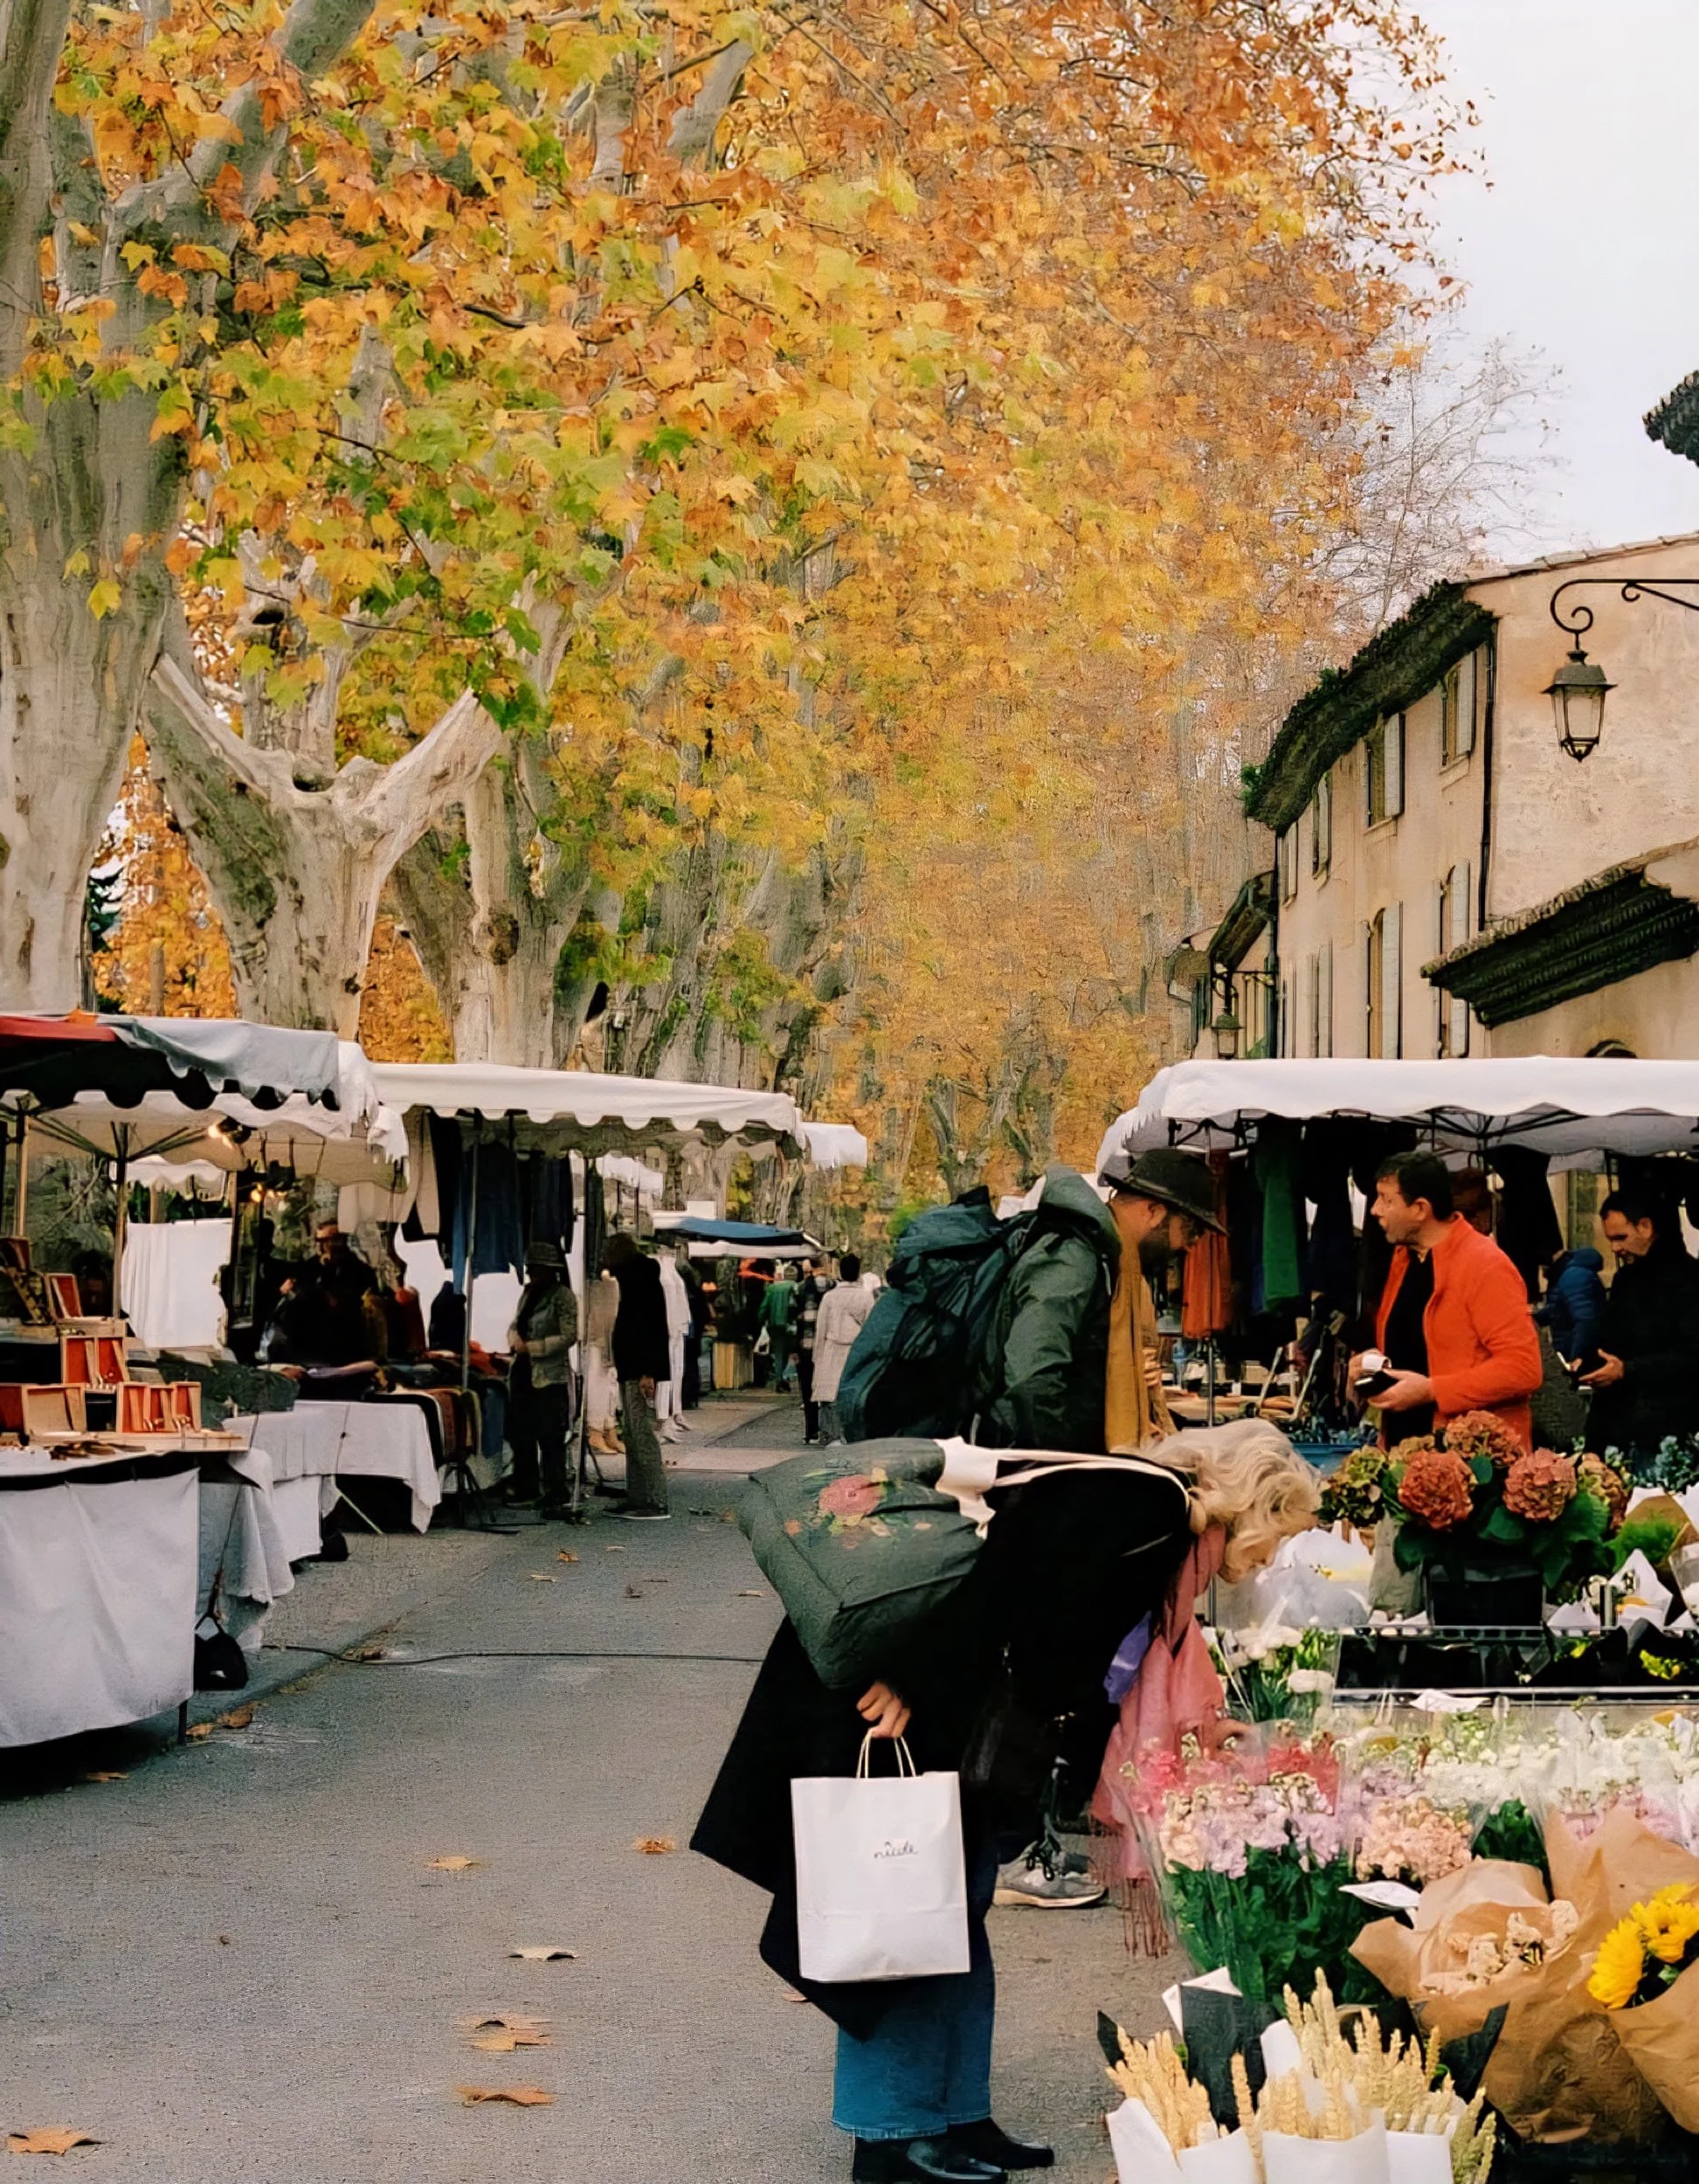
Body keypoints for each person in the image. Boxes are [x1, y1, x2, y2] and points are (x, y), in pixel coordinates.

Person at [693, 1422, 1320, 2184]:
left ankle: (956, 2115)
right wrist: (907, 1683)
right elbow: (1004, 1590)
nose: (1272, 1556)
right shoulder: (1147, 1510)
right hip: (902, 1698)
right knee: (901, 1921)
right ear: (1253, 1504)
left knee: (954, 1913)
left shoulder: (1142, 1507)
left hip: (940, 1701)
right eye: (1278, 1532)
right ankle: (892, 2136)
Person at [1355, 1151, 1542, 1452]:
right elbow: (1421, 1345)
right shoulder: (1404, 1259)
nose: (1376, 1210)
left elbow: (1523, 1368)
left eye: (1386, 1199)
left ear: (1420, 1209)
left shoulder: (1485, 1265)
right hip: (1406, 1455)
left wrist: (1431, 1391)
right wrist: (1371, 1364)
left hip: (1474, 1464)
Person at [1580, 1188, 1699, 1458]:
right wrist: (1589, 1361)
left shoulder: (1690, 1281)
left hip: (1671, 1433)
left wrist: (1627, 1370)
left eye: (1621, 1238)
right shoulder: (1625, 1280)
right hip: (1620, 1429)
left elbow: (1692, 1357)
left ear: (1645, 1227)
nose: (1615, 1248)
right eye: (1610, 1239)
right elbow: (1609, 1339)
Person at [506, 1241, 579, 1513]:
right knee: (521, 1432)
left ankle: (555, 1489)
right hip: (523, 1370)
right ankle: (526, 1484)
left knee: (549, 1435)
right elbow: (516, 1323)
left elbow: (569, 1335)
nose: (532, 1275)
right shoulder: (528, 1294)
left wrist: (534, 1348)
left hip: (549, 1375)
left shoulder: (563, 1297)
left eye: (537, 1270)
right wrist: (514, 1339)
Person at [604, 1232, 671, 1519]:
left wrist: (648, 1372)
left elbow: (649, 1328)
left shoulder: (639, 1281)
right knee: (632, 1434)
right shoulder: (639, 1279)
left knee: (640, 1434)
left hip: (638, 1368)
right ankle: (639, 1496)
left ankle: (654, 1500)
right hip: (633, 1366)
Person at [812, 1254, 876, 1443]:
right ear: (858, 1272)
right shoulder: (866, 1298)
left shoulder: (830, 1298)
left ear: (840, 1272)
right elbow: (871, 1331)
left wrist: (818, 1358)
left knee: (830, 1396)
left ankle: (830, 1437)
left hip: (831, 1350)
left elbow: (821, 1329)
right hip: (856, 1354)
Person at [1537, 1244, 1607, 1367]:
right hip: (1572, 1349)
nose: (1540, 1271)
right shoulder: (1563, 1275)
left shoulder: (1573, 1276)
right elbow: (1557, 1309)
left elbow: (1585, 1321)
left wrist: (1576, 1357)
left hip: (1577, 1355)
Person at [790, 1256, 833, 1443]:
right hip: (827, 1348)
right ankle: (828, 1431)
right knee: (828, 1390)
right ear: (824, 1266)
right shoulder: (834, 1288)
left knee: (808, 1391)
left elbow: (792, 1322)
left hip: (805, 1347)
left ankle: (811, 1432)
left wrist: (793, 1349)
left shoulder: (799, 1289)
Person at [656, 1246, 695, 1443]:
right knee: (667, 1375)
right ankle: (664, 1417)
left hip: (677, 1326)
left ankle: (675, 1413)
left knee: (677, 1371)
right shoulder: (663, 1276)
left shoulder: (673, 1274)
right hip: (668, 1327)